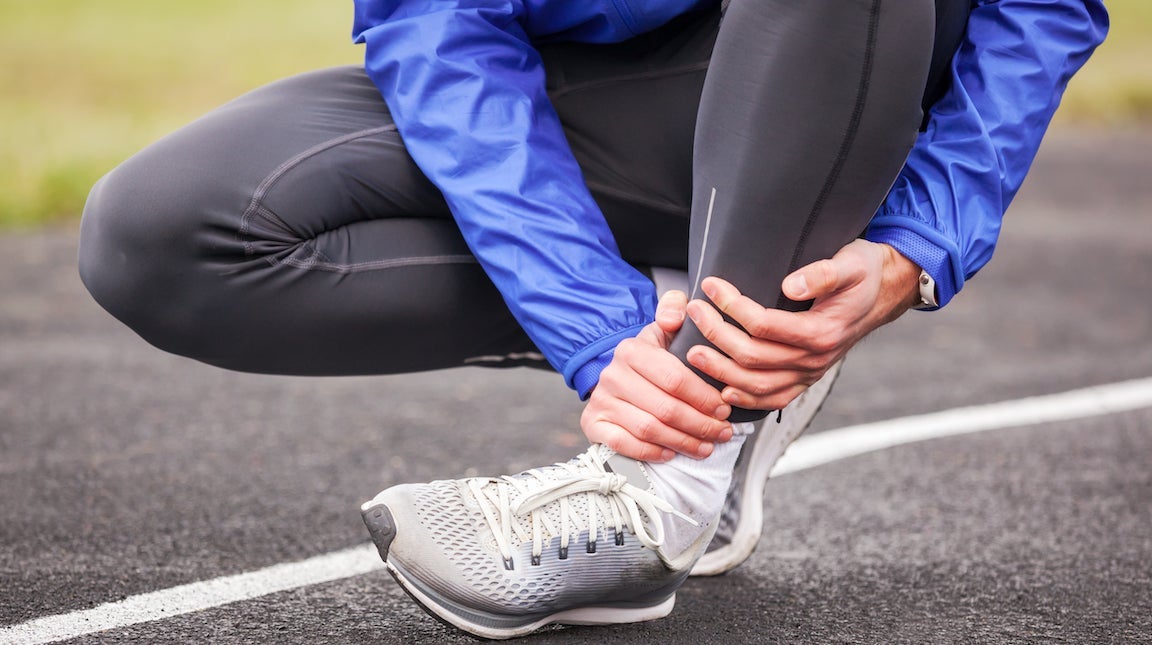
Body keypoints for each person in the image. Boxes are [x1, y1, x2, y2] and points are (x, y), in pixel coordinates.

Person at [78, 0, 1106, 638]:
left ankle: (673, 477)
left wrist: (922, 239)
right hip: (627, 106)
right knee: (160, 233)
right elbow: (443, 30)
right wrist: (599, 329)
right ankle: (714, 346)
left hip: (852, 55)